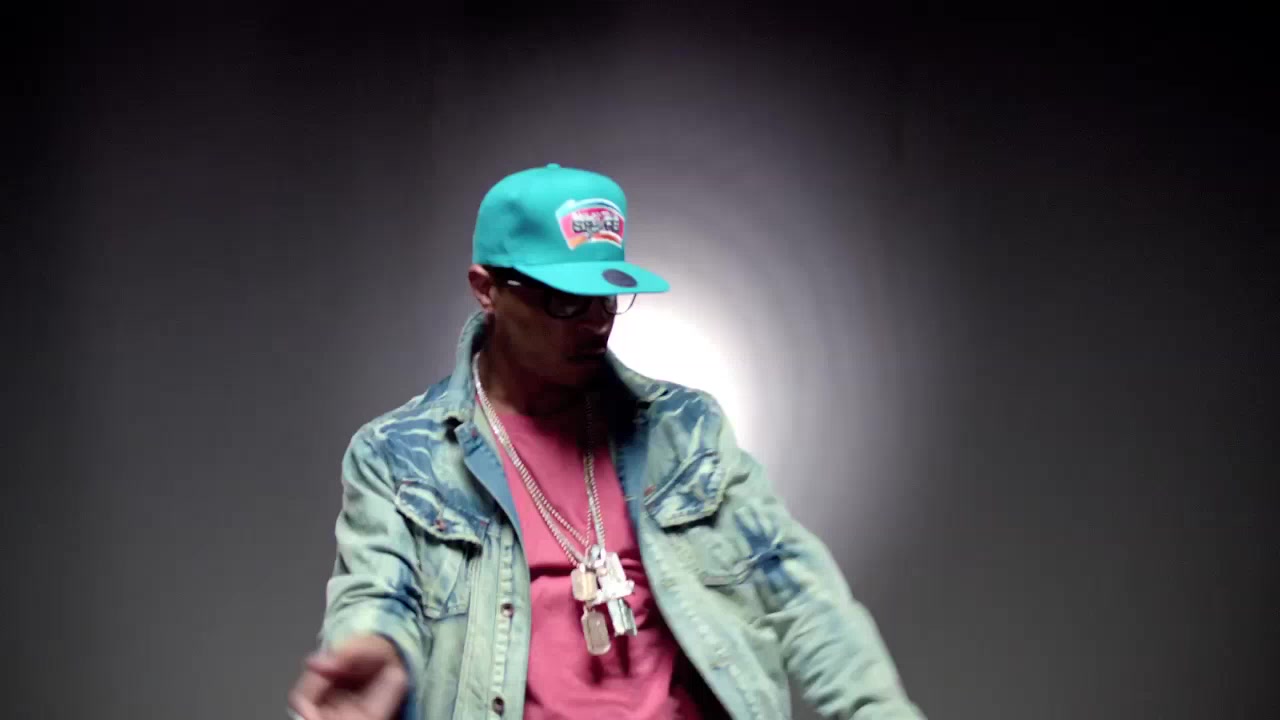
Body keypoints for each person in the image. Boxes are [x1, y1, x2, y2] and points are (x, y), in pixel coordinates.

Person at [288, 164, 925, 719]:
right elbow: (378, 592)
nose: (595, 324)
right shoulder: (398, 455)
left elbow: (800, 592)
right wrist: (374, 645)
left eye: (607, 298)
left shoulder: (686, 430)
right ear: (487, 290)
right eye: (566, 302)